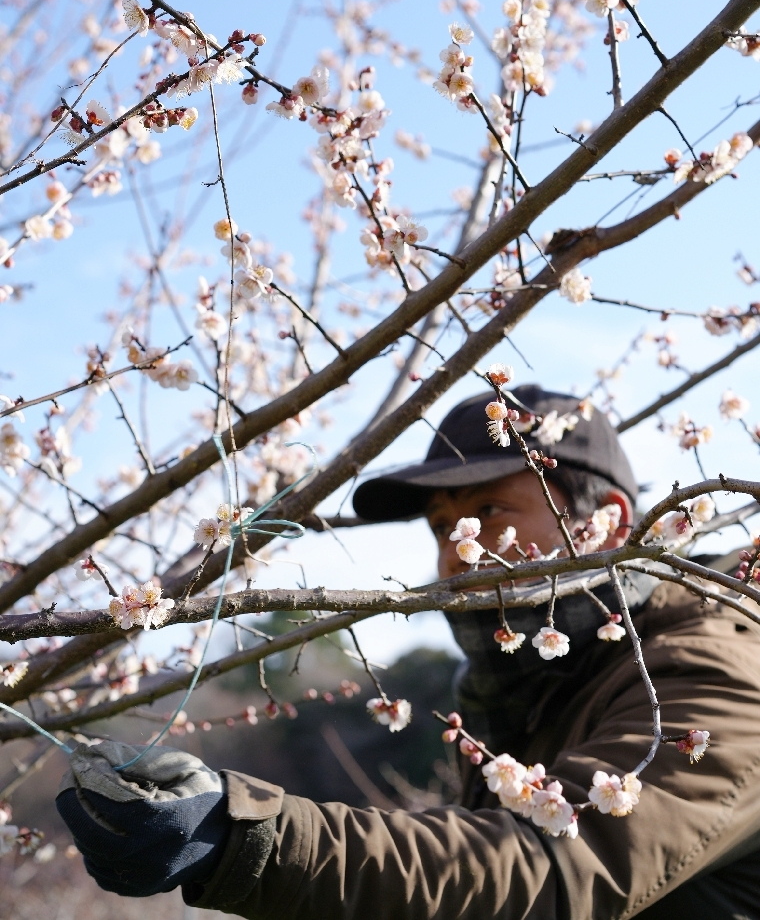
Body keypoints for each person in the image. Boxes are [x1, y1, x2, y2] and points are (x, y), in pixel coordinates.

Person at [56, 385, 760, 919]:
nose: (458, 552)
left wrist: (242, 836)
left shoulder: (717, 669)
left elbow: (549, 867)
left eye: (488, 512)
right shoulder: (520, 688)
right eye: (443, 525)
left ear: (606, 524)